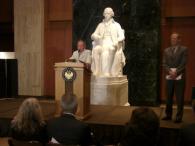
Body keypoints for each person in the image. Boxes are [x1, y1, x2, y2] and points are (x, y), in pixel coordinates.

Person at [91, 7, 125, 77]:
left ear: (112, 14)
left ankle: (108, 71)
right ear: (103, 14)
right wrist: (96, 37)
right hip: (102, 43)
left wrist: (116, 41)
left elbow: (122, 36)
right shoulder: (100, 25)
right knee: (96, 49)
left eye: (108, 13)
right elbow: (93, 35)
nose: (107, 15)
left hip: (112, 43)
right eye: (105, 13)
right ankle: (97, 70)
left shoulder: (116, 25)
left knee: (111, 49)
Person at [162, 32, 188, 123]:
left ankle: (179, 117)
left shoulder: (184, 49)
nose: (172, 40)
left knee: (179, 98)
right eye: (171, 38)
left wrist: (176, 72)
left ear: (179, 40)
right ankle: (168, 115)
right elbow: (164, 64)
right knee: (168, 97)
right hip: (169, 77)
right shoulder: (166, 50)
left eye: (174, 38)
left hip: (179, 77)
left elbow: (183, 63)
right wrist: (169, 71)